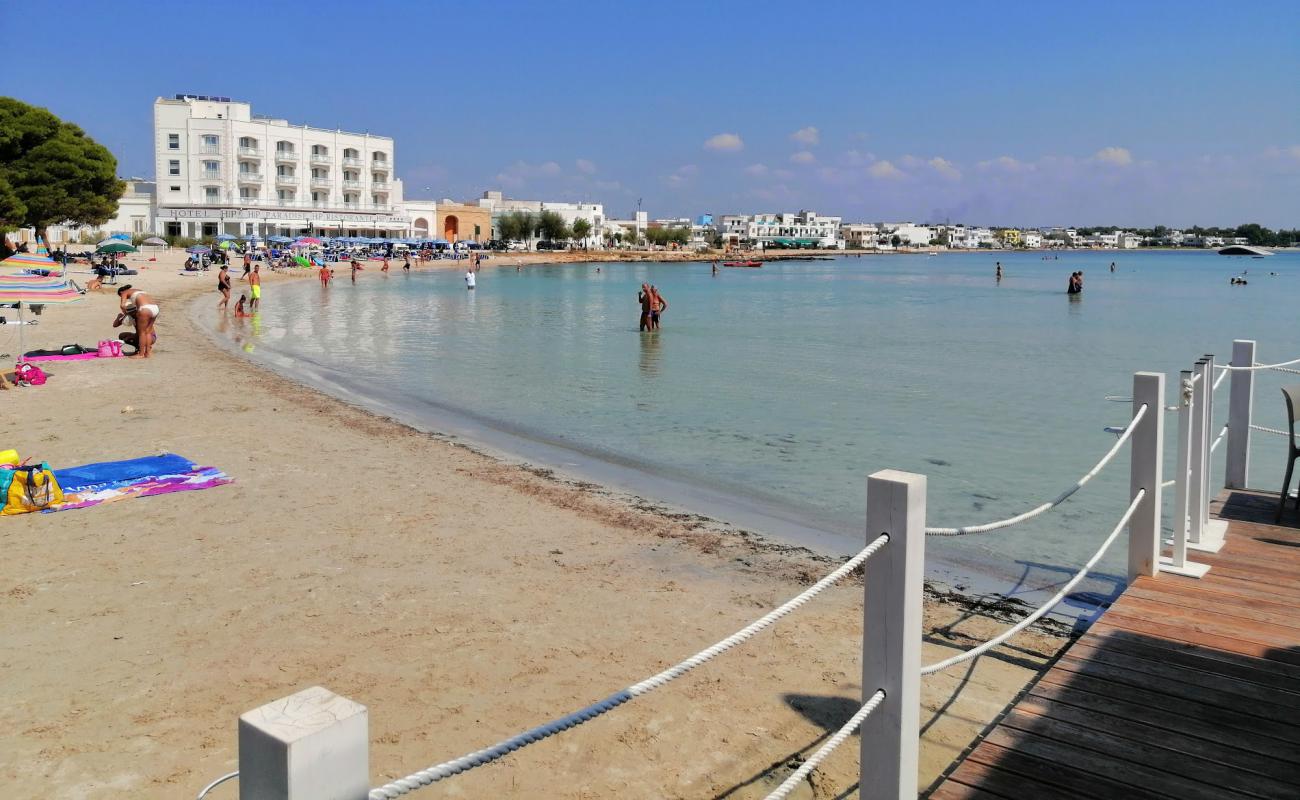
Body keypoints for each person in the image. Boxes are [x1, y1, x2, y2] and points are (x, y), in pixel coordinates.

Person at [116, 285, 159, 358]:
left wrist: (126, 313)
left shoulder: (124, 293)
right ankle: (148, 353)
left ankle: (141, 354)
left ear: (121, 292)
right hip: (155, 307)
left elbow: (122, 305)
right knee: (148, 331)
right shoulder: (139, 290)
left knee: (142, 333)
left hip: (145, 309)